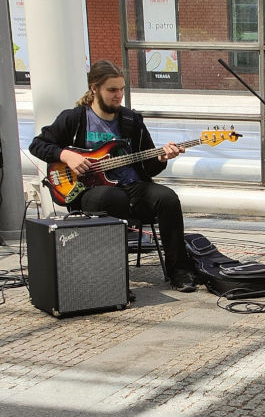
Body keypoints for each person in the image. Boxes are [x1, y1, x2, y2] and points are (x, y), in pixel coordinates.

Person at [29, 59, 198, 294]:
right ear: (94, 88)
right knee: (112, 198)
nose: (118, 95)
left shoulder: (131, 120)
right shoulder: (75, 118)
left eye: (121, 89)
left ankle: (179, 271)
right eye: (112, 90)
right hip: (89, 191)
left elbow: (147, 167)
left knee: (167, 198)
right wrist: (66, 155)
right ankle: (114, 278)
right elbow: (37, 145)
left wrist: (161, 158)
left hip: (132, 185)